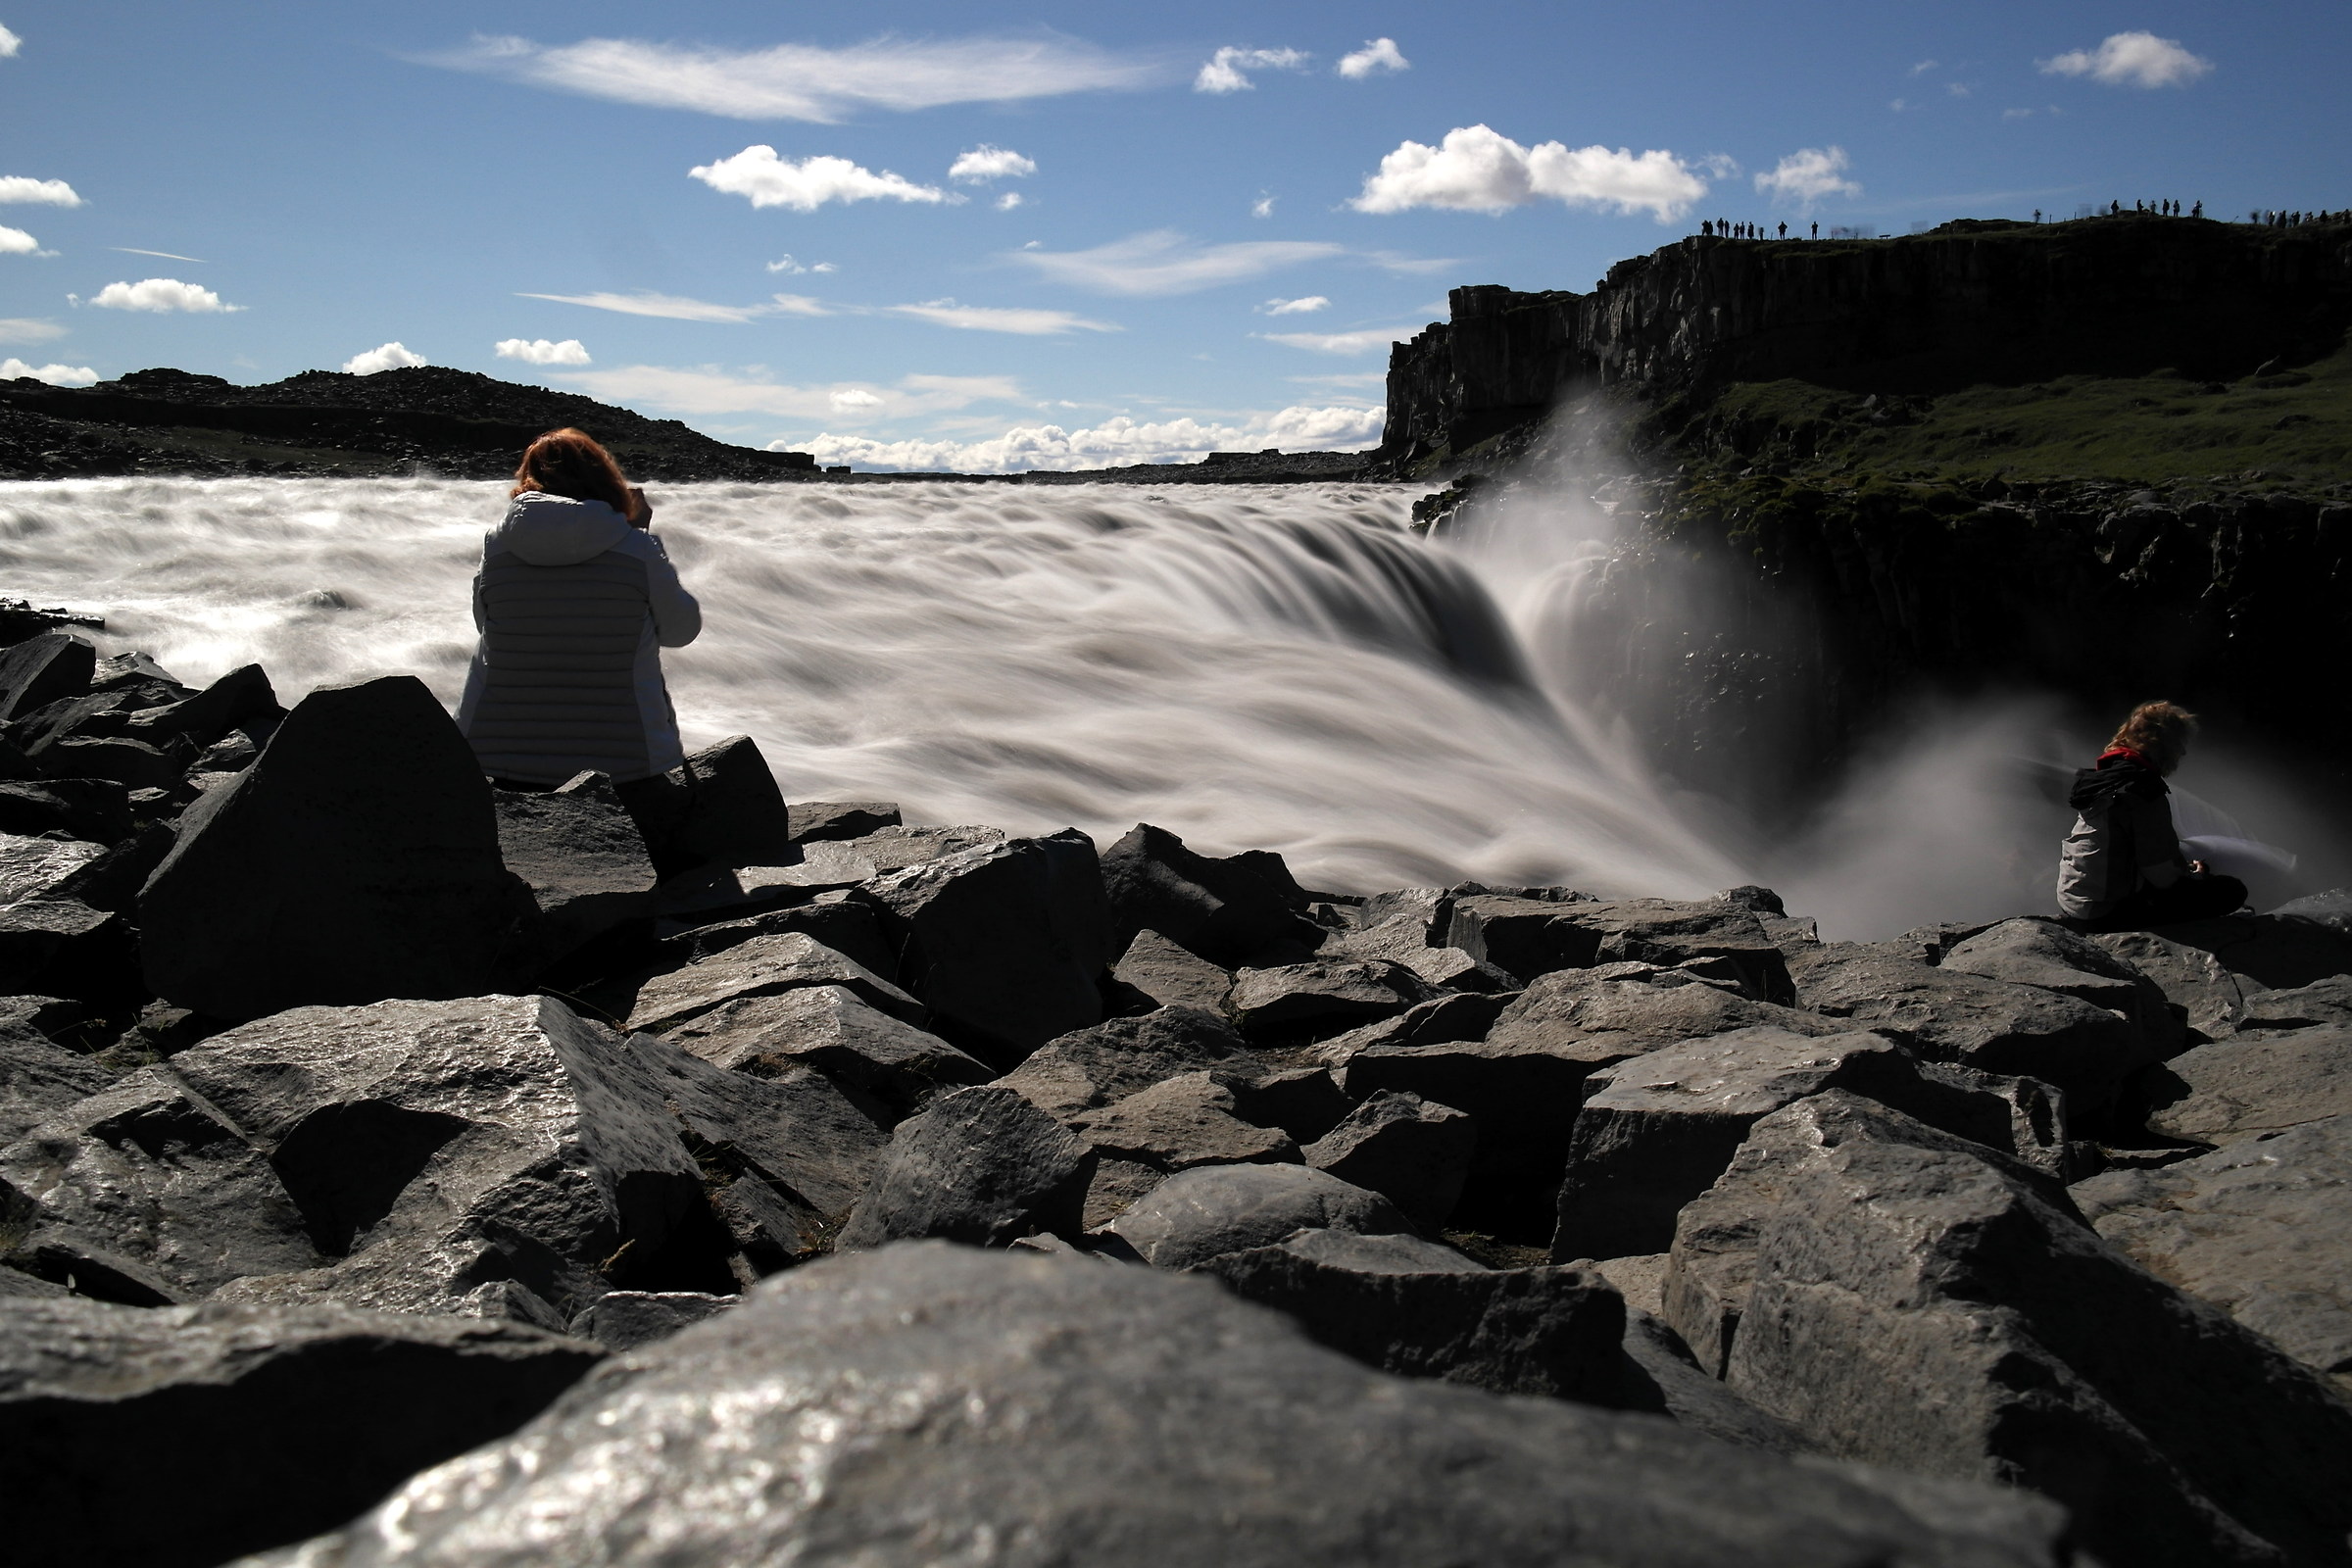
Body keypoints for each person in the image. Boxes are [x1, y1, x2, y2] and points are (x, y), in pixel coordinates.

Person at [457, 427, 702, 788]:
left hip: (497, 757)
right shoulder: (637, 548)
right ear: (604, 478)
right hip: (624, 762)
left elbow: (487, 624)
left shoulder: (496, 546)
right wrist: (640, 535)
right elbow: (682, 631)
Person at [2056, 701, 2246, 931]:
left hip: (2073, 899)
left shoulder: (2106, 778)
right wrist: (2195, 877)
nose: (2183, 752)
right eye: (2180, 744)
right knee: (2231, 891)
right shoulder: (2142, 790)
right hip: (2104, 911)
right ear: (2163, 744)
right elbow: (2161, 877)